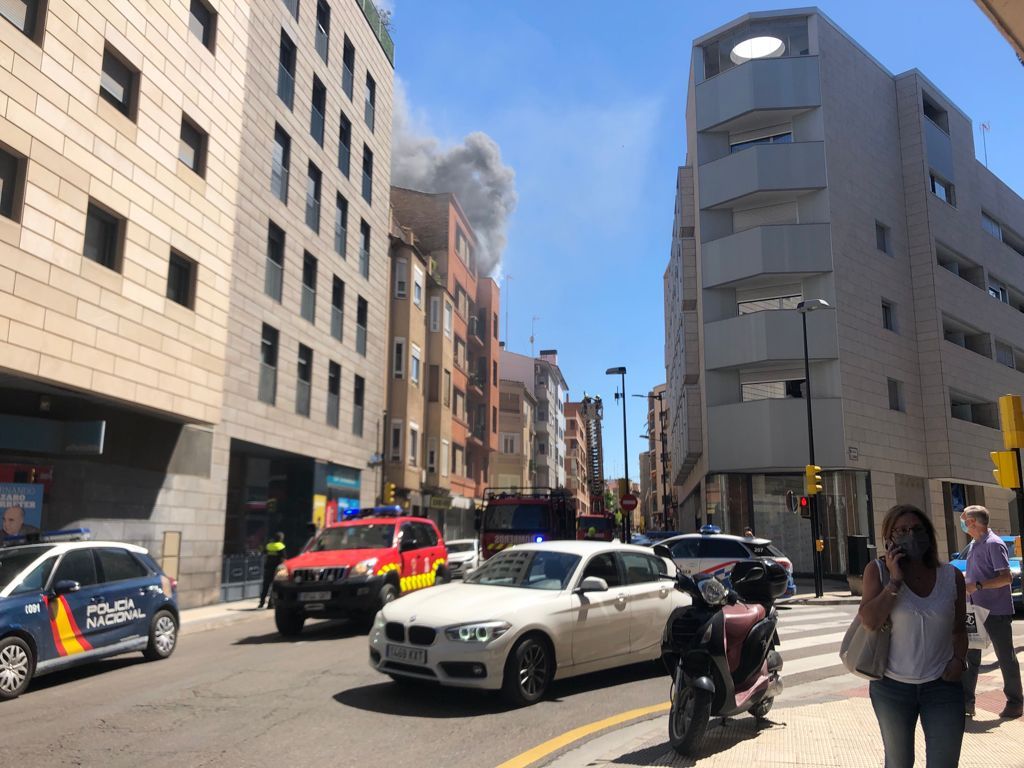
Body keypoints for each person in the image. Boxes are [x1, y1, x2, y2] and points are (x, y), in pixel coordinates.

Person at [859, 504, 966, 768]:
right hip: (892, 688)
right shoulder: (878, 572)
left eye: (917, 529)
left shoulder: (951, 576)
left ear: (929, 535)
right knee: (898, 763)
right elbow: (870, 622)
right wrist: (895, 581)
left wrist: (959, 660)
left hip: (942, 686)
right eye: (902, 530)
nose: (911, 535)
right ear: (889, 537)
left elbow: (960, 628)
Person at [960, 505, 1023, 718]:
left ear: (974, 522)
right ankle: (967, 703)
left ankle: (1015, 702)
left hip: (995, 610)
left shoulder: (994, 544)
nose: (963, 523)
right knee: (970, 656)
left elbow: (1006, 578)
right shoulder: (975, 544)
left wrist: (977, 586)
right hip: (975, 608)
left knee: (1005, 656)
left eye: (965, 520)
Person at [258, 532, 287, 609]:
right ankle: (270, 604)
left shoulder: (269, 545)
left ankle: (261, 602)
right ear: (281, 539)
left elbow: (264, 552)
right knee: (274, 587)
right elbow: (284, 558)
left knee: (265, 586)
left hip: (268, 568)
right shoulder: (281, 546)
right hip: (276, 569)